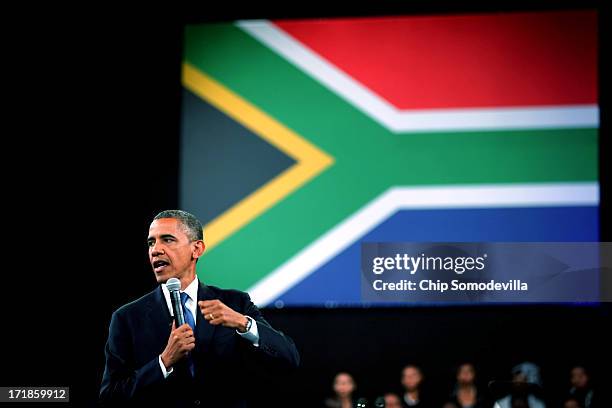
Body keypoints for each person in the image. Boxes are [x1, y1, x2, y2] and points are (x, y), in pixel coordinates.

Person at [99, 210, 300, 407]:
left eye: (167, 240)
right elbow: (110, 396)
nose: (155, 250)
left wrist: (243, 323)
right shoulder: (127, 317)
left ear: (197, 249)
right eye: (151, 242)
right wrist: (164, 362)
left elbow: (289, 357)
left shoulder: (235, 303)